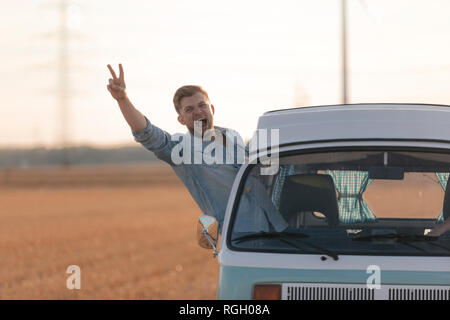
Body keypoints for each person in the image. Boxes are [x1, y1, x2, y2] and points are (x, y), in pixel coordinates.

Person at [106, 64, 288, 233]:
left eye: (202, 105)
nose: (198, 112)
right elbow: (148, 133)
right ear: (181, 120)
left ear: (212, 109)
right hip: (242, 238)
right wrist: (123, 99)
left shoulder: (232, 135)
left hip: (278, 228)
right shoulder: (182, 150)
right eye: (189, 109)